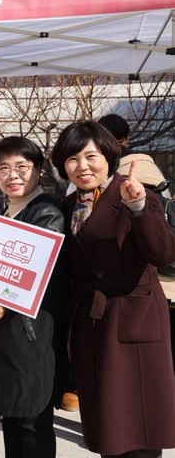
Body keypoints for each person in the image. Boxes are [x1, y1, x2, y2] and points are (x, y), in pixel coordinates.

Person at [51, 120, 175, 458]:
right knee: (107, 423)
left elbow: (163, 254)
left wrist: (138, 208)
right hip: (90, 319)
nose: (82, 166)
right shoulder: (68, 206)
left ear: (108, 155)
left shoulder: (135, 193)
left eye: (90, 156)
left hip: (134, 316)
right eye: (72, 159)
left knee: (138, 425)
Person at [0, 137, 69, 458]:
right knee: (11, 419)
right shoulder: (6, 212)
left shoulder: (46, 212)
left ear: (38, 169)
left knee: (31, 423)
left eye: (21, 167)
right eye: (3, 169)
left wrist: (3, 307)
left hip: (30, 335)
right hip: (7, 331)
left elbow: (34, 276)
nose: (12, 175)